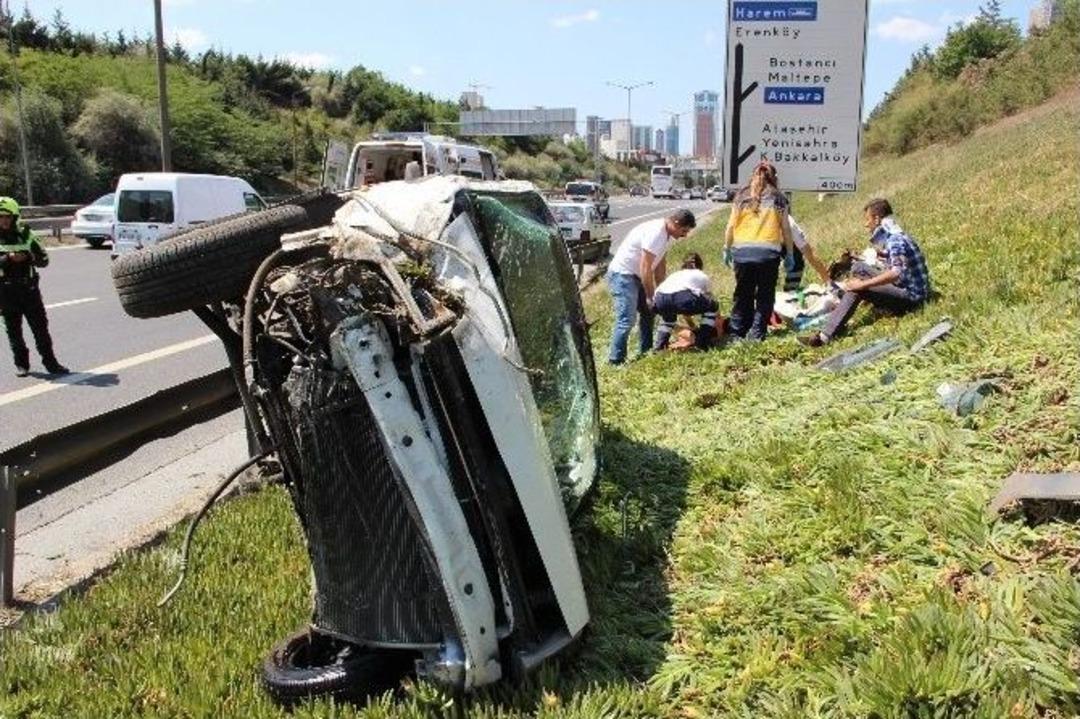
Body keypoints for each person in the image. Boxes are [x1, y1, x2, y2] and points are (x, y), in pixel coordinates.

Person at [799, 198, 931, 347]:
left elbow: (896, 273)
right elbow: (897, 260)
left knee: (858, 289)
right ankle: (849, 299)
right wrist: (870, 256)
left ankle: (824, 336)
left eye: (868, 219)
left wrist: (863, 285)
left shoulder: (895, 240)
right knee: (858, 267)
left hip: (912, 298)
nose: (866, 224)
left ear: (877, 219)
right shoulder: (897, 235)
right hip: (909, 287)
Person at [606, 209, 697, 365]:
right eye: (683, 230)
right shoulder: (656, 233)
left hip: (636, 275)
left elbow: (660, 264)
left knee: (649, 313)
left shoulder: (666, 235)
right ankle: (615, 360)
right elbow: (645, 266)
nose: (685, 235)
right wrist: (649, 295)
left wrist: (661, 291)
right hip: (624, 275)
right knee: (627, 319)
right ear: (675, 223)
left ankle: (646, 351)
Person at [722, 162, 794, 341]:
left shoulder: (741, 196)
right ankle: (756, 334)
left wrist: (727, 248)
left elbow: (731, 226)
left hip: (742, 253)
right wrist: (790, 254)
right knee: (765, 296)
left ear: (752, 176)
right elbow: (786, 229)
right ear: (774, 178)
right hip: (768, 255)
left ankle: (737, 333)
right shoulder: (779, 198)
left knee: (742, 295)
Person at [0, 197, 69, 377]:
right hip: (5, 292)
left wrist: (28, 257)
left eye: (7, 216)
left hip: (29, 291)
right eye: (0, 216)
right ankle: (22, 365)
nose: (4, 220)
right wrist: (8, 259)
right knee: (14, 332)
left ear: (15, 217)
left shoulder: (27, 234)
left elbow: (44, 260)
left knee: (41, 329)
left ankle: (51, 363)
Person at [652, 253, 719, 351]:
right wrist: (717, 319)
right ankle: (703, 342)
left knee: (668, 319)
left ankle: (659, 347)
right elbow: (709, 299)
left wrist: (692, 326)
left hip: (660, 299)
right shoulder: (701, 275)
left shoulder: (675, 275)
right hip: (682, 297)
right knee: (712, 306)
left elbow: (683, 310)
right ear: (700, 265)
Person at [783, 214, 831, 291]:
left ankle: (828, 282)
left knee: (799, 262)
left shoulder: (790, 226)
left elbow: (810, 256)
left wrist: (828, 282)